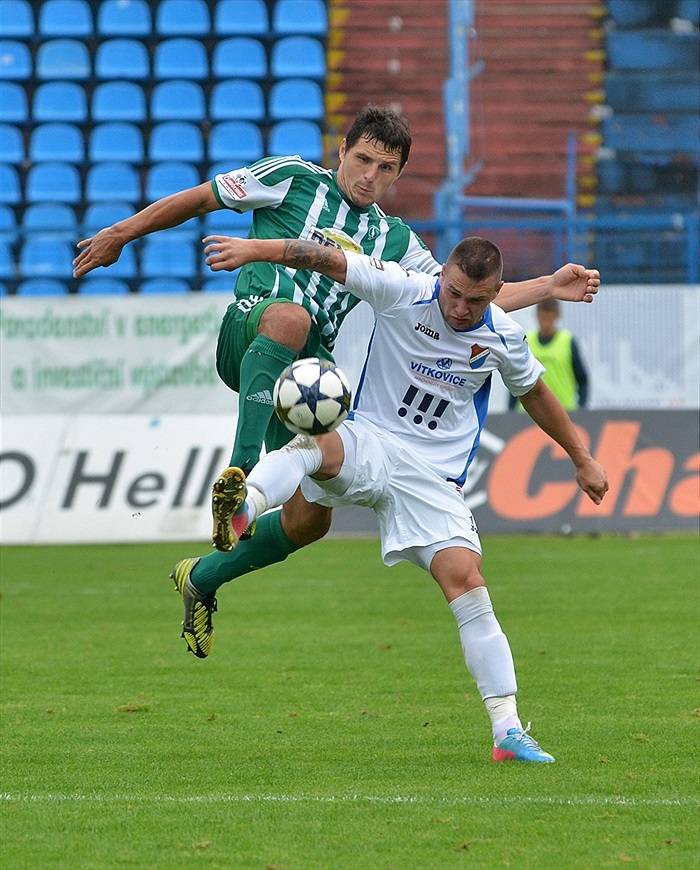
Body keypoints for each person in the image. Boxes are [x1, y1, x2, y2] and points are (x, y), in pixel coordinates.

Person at [72, 106, 600, 636]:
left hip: (306, 375)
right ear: (341, 151)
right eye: (363, 159)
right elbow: (201, 197)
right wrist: (122, 232)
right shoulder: (291, 178)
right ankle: (237, 475)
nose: (370, 176)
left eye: (386, 168)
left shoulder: (396, 242)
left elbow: (464, 295)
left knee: (309, 520)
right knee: (292, 317)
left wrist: (549, 286)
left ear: (398, 174)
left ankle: (201, 579)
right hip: (253, 330)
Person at [172, 233, 608, 763]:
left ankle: (507, 730)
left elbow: (535, 393)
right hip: (372, 441)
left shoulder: (504, 337)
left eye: (475, 300)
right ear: (443, 276)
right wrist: (253, 250)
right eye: (453, 293)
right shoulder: (405, 289)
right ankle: (245, 502)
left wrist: (581, 457)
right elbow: (326, 258)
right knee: (317, 445)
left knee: (467, 584)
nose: (459, 307)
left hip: (433, 479)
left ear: (496, 293)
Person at [509, 298, 589, 411]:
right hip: (527, 414)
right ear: (537, 316)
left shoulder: (568, 342)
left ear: (557, 316)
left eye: (549, 318)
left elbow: (582, 379)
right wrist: (511, 411)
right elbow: (514, 378)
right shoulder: (526, 341)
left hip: (563, 412)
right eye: (542, 318)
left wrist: (582, 408)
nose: (545, 323)